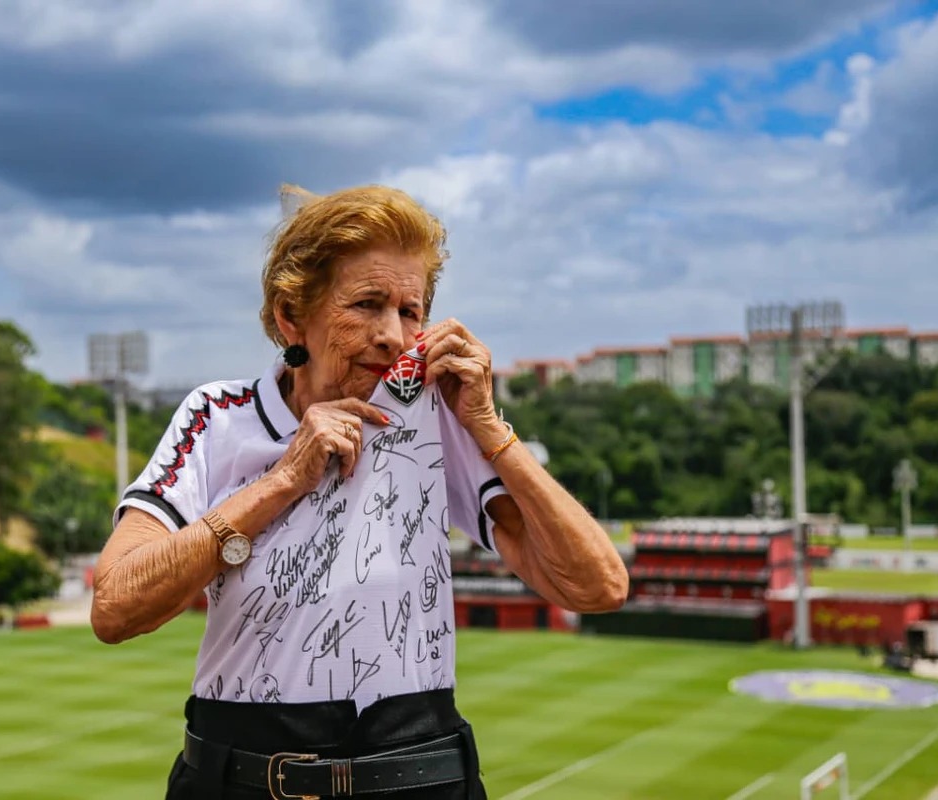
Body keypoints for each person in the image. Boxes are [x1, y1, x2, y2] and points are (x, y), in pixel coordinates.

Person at [91, 184, 628, 799]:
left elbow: (598, 585)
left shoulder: (434, 413)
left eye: (410, 310)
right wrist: (285, 479)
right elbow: (116, 608)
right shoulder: (216, 417)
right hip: (237, 777)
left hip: (418, 777)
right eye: (367, 304)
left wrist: (486, 425)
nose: (394, 337)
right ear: (292, 315)